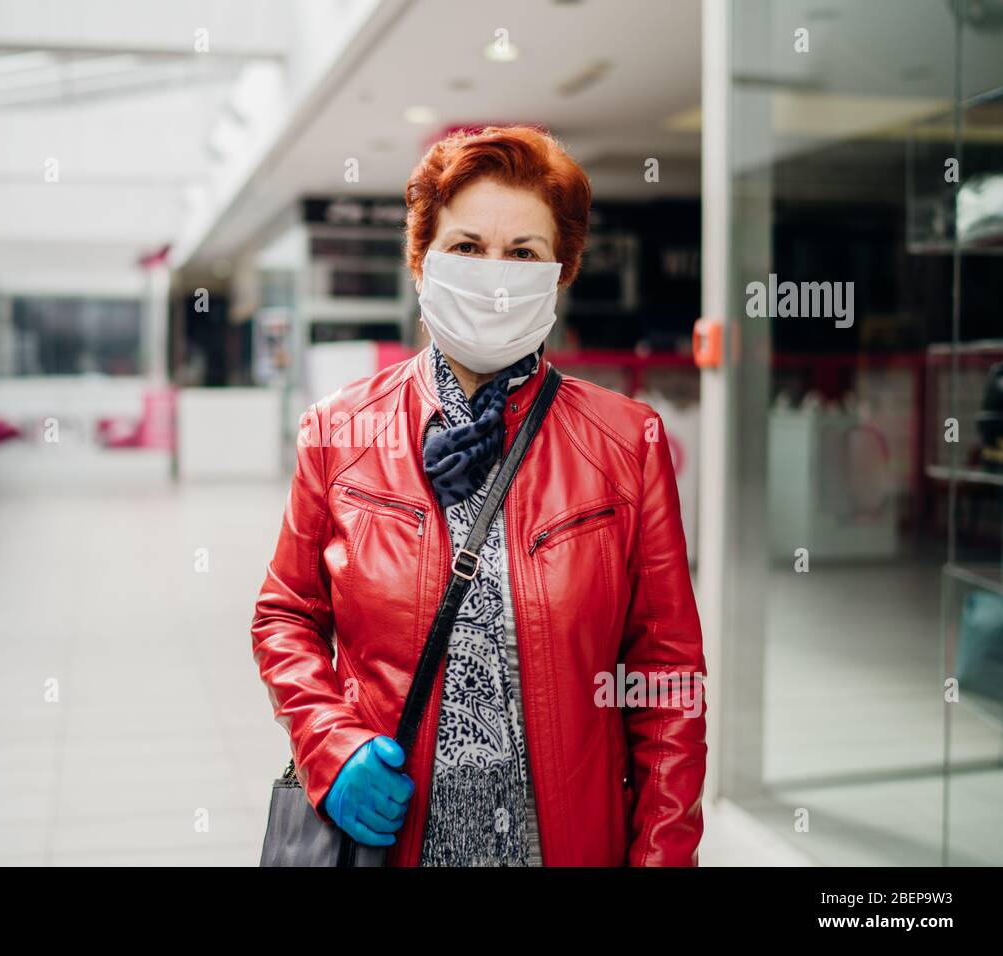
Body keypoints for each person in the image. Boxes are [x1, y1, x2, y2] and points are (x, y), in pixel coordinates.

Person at [252, 125, 706, 866]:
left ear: (559, 273)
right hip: (394, 845)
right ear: (421, 262)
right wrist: (329, 745)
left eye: (523, 253)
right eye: (467, 247)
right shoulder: (339, 431)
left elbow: (667, 678)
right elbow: (285, 616)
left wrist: (664, 857)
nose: (495, 275)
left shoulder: (627, 443)